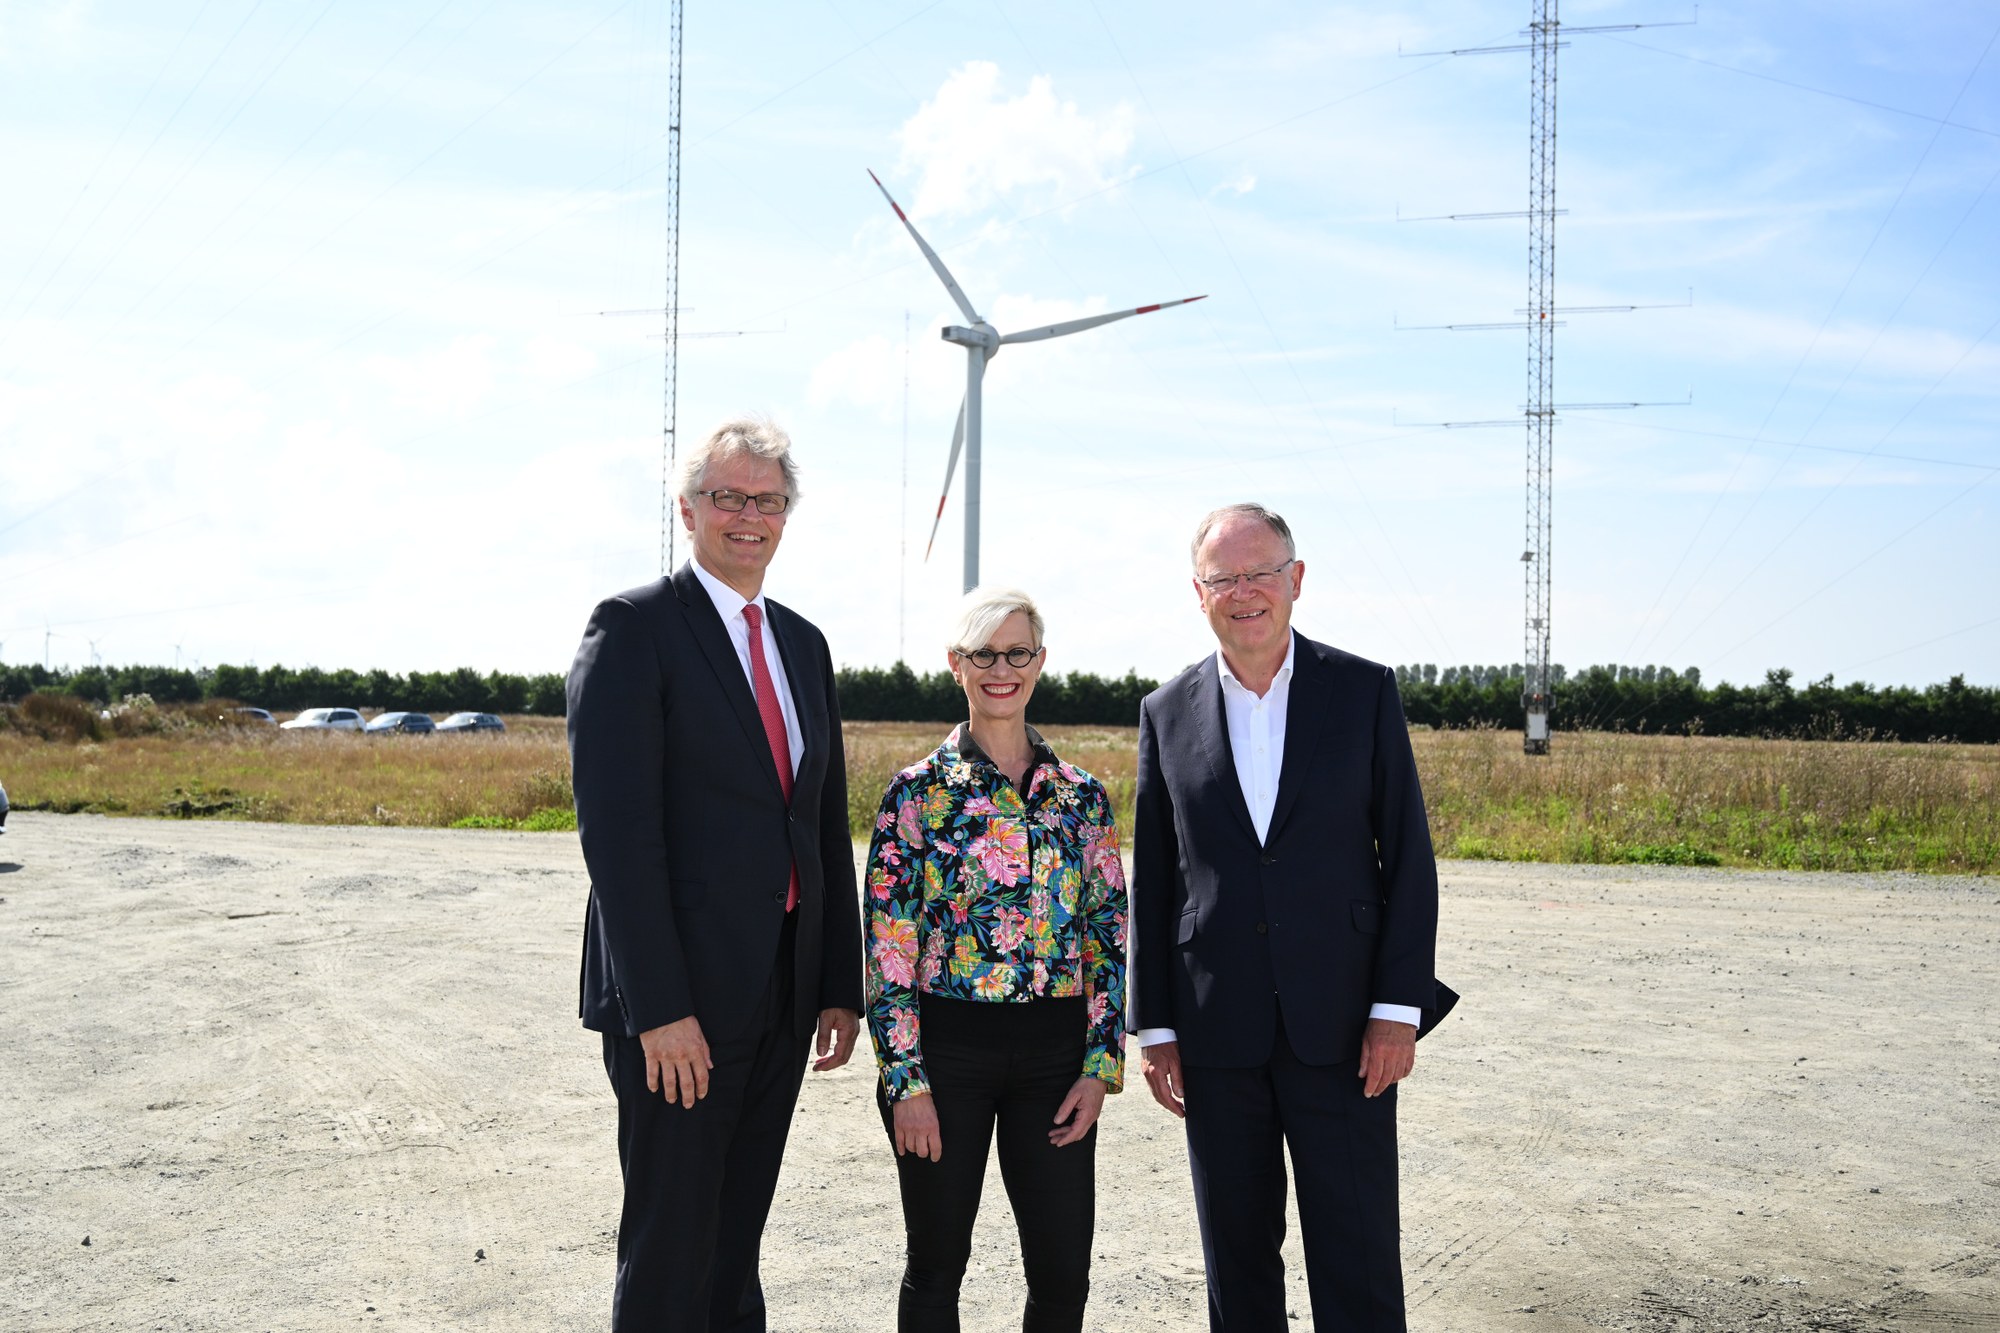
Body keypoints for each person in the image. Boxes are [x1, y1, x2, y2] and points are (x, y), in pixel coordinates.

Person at [566, 415, 864, 1332]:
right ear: (688, 507)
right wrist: (658, 1007)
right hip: (680, 1004)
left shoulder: (803, 644)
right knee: (672, 1244)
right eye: (728, 496)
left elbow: (820, 821)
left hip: (778, 991)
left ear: (786, 516)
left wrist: (835, 983)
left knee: (737, 1240)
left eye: (766, 500)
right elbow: (618, 838)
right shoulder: (635, 628)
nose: (748, 516)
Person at [1128, 502, 1455, 1332]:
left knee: (1358, 1256)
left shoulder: (1364, 690)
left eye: (1260, 572)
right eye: (1223, 578)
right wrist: (1154, 1025)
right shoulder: (1165, 712)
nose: (1244, 593)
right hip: (1215, 1035)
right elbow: (1159, 881)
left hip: (1346, 1030)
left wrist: (1396, 1009)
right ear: (1198, 593)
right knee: (1237, 1264)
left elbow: (1409, 859)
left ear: (1296, 580)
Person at [862, 587, 1128, 1333]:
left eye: (1017, 652)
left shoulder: (1083, 798)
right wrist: (905, 1079)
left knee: (1062, 1269)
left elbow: (1109, 932)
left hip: (1056, 1059)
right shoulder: (915, 795)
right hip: (947, 1058)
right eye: (984, 653)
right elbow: (889, 948)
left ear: (1040, 662)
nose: (1000, 669)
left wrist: (1098, 1066)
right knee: (936, 1265)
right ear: (957, 664)